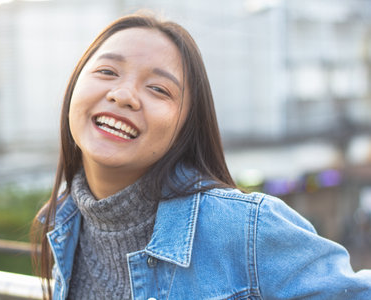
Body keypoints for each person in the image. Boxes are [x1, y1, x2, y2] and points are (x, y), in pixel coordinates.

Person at [31, 13, 371, 300]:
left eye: (158, 89)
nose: (123, 95)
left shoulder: (245, 228)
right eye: (107, 71)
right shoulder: (62, 221)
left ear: (186, 127)